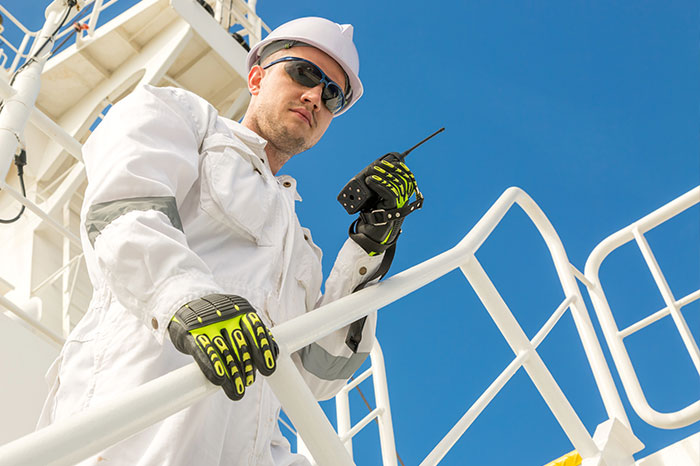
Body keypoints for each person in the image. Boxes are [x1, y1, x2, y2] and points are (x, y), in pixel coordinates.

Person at [37, 16, 419, 466]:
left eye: (332, 95)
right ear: (256, 78)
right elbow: (125, 210)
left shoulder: (299, 246)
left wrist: (369, 245)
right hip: (133, 438)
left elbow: (320, 375)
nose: (316, 96)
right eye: (304, 73)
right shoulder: (182, 117)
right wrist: (186, 297)